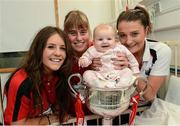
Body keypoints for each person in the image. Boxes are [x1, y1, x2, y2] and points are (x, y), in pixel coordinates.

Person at [3, 26, 73, 125]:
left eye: (62, 48)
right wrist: (49, 119)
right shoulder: (21, 82)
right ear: (39, 50)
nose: (58, 53)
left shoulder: (59, 75)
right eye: (50, 47)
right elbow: (17, 124)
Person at [116, 5, 171, 101]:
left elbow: (149, 96)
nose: (128, 41)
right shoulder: (114, 51)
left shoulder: (161, 51)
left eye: (134, 34)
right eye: (122, 35)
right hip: (121, 106)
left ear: (146, 31)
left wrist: (130, 70)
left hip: (146, 106)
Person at [79, 24, 139, 88]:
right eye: (100, 39)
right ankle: (99, 85)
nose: (105, 42)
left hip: (117, 74)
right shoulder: (93, 49)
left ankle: (120, 86)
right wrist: (84, 61)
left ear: (115, 41)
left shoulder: (120, 48)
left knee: (128, 71)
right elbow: (86, 56)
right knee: (87, 74)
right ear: (93, 42)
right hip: (100, 76)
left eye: (109, 39)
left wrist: (135, 72)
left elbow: (131, 58)